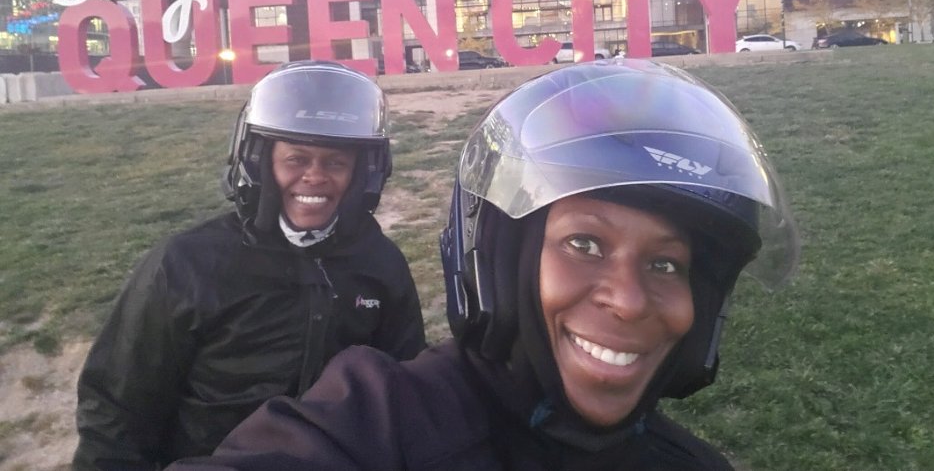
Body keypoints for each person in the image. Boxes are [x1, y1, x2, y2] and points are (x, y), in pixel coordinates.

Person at [166, 58, 799, 471]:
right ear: (500, 265)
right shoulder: (381, 423)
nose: (629, 301)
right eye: (585, 245)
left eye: (666, 265)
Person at [74, 60, 426, 470]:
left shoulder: (380, 264)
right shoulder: (187, 264)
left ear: (362, 174)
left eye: (335, 163)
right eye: (296, 160)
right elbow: (116, 409)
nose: (315, 176)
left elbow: (403, 389)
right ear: (259, 163)